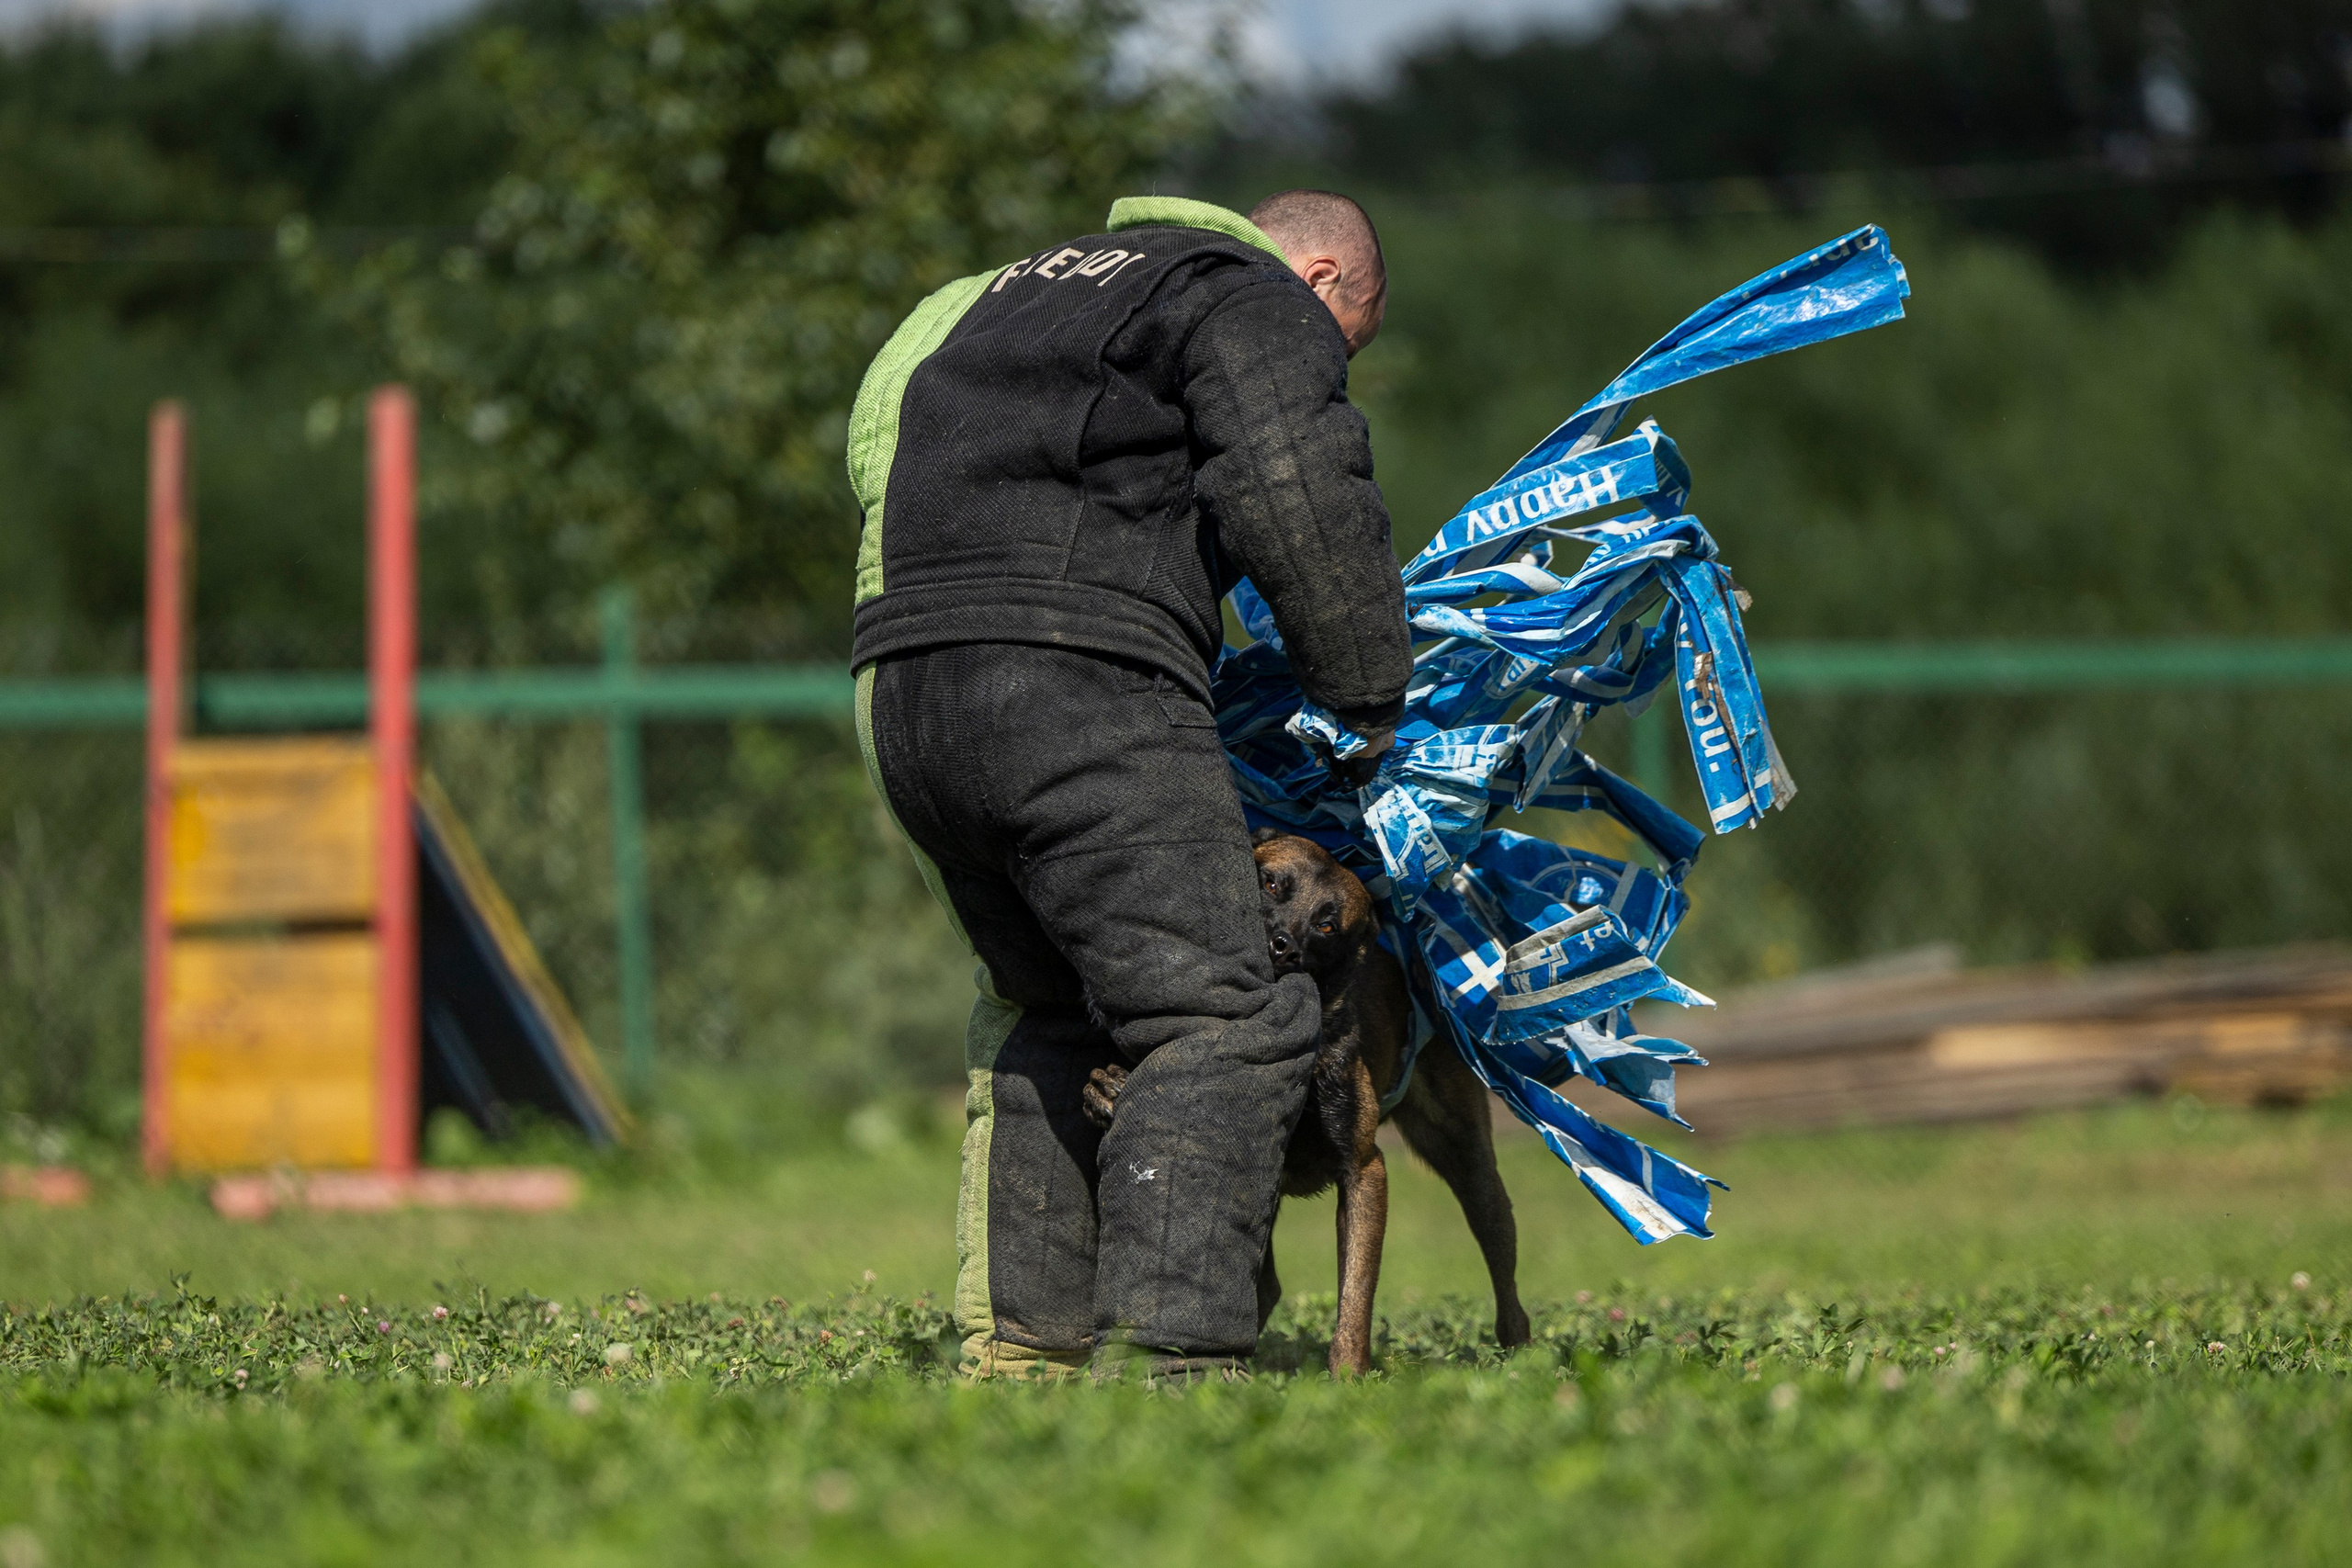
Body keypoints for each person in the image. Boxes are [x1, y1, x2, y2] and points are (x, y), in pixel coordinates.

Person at [846, 190, 1410, 1381]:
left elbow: (873, 445)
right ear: (1319, 280)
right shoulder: (1244, 292)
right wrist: (1365, 689)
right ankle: (1173, 1367)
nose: (1332, 362)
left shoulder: (994, 294)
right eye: (1345, 344)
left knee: (1053, 1007)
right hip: (1081, 684)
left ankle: (1027, 1355)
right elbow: (1295, 477)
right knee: (1227, 1015)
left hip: (901, 686)